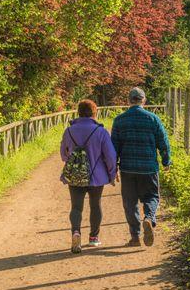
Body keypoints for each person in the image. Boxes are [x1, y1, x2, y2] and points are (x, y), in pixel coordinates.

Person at [111, 87, 171, 247]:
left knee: (129, 202)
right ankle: (149, 218)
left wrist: (113, 168)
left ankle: (135, 237)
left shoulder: (119, 120)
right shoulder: (153, 119)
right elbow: (163, 142)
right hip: (149, 168)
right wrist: (166, 161)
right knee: (152, 196)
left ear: (128, 101)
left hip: (128, 168)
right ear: (143, 100)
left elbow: (113, 147)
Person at [60, 99, 118, 254]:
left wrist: (74, 160)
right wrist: (112, 174)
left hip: (75, 175)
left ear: (78, 112)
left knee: (76, 207)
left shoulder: (69, 131)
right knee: (95, 204)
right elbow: (110, 156)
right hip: (96, 177)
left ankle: (76, 232)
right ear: (94, 112)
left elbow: (63, 154)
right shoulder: (101, 132)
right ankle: (93, 237)